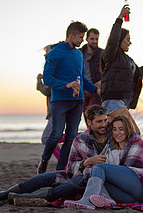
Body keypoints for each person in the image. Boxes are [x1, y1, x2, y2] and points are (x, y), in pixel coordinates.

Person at [0, 105, 110, 203]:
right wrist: (86, 162)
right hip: (77, 175)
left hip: (94, 181)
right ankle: (1, 195)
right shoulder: (81, 139)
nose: (103, 125)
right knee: (45, 177)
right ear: (89, 122)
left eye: (105, 120)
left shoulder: (113, 137)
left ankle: (28, 198)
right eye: (99, 122)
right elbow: (70, 167)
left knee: (79, 181)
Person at [37, 21, 100, 174]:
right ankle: (44, 160)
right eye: (80, 37)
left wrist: (95, 90)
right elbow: (47, 78)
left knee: (70, 137)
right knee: (56, 134)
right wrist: (66, 85)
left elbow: (82, 78)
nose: (82, 40)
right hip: (60, 101)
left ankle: (60, 170)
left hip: (77, 102)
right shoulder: (55, 53)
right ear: (71, 35)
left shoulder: (79, 54)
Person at [64, 115, 143, 210]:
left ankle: (87, 200)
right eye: (114, 129)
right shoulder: (112, 147)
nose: (117, 133)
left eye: (121, 129)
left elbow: (127, 168)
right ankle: (107, 199)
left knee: (100, 167)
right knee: (100, 178)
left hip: (141, 187)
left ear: (128, 129)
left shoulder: (135, 141)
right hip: (130, 197)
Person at [100, 5, 143, 135]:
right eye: (128, 40)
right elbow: (113, 39)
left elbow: (140, 72)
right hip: (113, 101)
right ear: (120, 40)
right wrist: (120, 18)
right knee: (134, 134)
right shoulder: (112, 55)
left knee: (116, 137)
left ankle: (106, 155)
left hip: (123, 102)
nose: (130, 43)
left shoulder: (127, 60)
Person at [80, 28, 103, 120]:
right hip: (82, 91)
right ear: (87, 39)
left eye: (97, 39)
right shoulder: (79, 53)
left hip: (95, 91)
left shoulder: (102, 53)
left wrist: (102, 81)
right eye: (92, 39)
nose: (95, 41)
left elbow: (109, 71)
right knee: (87, 119)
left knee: (95, 118)